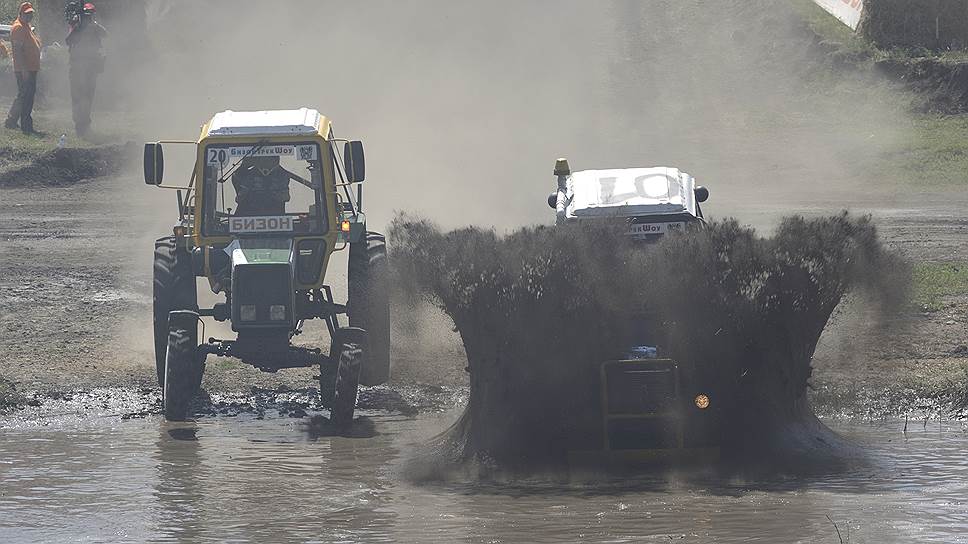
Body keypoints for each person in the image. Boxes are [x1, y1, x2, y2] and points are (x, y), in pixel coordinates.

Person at [65, 2, 106, 136]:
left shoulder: (95, 27)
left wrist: (94, 26)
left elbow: (105, 34)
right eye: (86, 15)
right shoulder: (76, 26)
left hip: (91, 68)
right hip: (77, 67)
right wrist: (78, 28)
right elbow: (68, 41)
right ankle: (79, 124)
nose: (88, 18)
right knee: (78, 96)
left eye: (90, 15)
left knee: (88, 96)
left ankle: (86, 123)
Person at [4, 2, 42, 134]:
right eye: (27, 13)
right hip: (25, 70)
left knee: (23, 96)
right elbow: (18, 51)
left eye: (31, 13)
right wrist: (24, 70)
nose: (29, 16)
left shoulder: (26, 26)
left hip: (30, 68)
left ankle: (11, 120)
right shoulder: (18, 28)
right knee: (27, 97)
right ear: (20, 13)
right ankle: (26, 125)